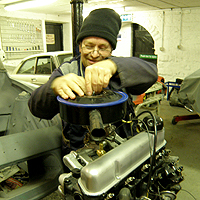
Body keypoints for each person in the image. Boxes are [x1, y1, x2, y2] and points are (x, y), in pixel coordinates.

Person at [28, 8, 158, 155]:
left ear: (111, 51)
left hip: (123, 150)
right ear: (80, 47)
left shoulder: (119, 68)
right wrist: (54, 87)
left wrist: (113, 66)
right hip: (79, 155)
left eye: (103, 48)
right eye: (89, 46)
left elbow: (151, 73)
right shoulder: (67, 70)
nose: (94, 54)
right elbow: (35, 106)